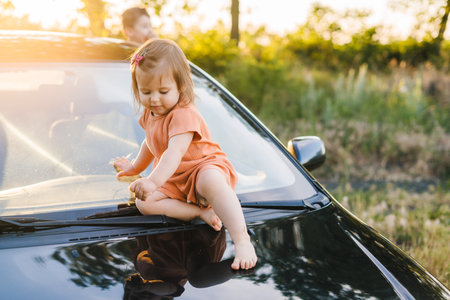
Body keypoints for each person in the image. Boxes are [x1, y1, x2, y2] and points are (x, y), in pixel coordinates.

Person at [113, 38, 257, 270]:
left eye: (163, 91)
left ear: (181, 86)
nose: (154, 99)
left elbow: (174, 151)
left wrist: (152, 180)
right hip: (176, 178)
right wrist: (135, 169)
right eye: (146, 91)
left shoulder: (183, 114)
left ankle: (242, 240)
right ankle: (199, 214)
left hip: (201, 166)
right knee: (144, 204)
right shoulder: (150, 113)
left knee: (211, 181)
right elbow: (150, 144)